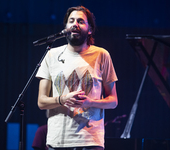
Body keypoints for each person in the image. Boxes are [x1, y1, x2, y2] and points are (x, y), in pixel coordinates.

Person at [36, 6, 118, 150]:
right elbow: (41, 102)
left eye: (81, 21)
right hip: (58, 141)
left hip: (90, 141)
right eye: (71, 21)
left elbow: (113, 101)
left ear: (90, 29)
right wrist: (62, 99)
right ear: (66, 27)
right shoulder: (51, 55)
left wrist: (91, 102)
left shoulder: (102, 55)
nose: (75, 24)